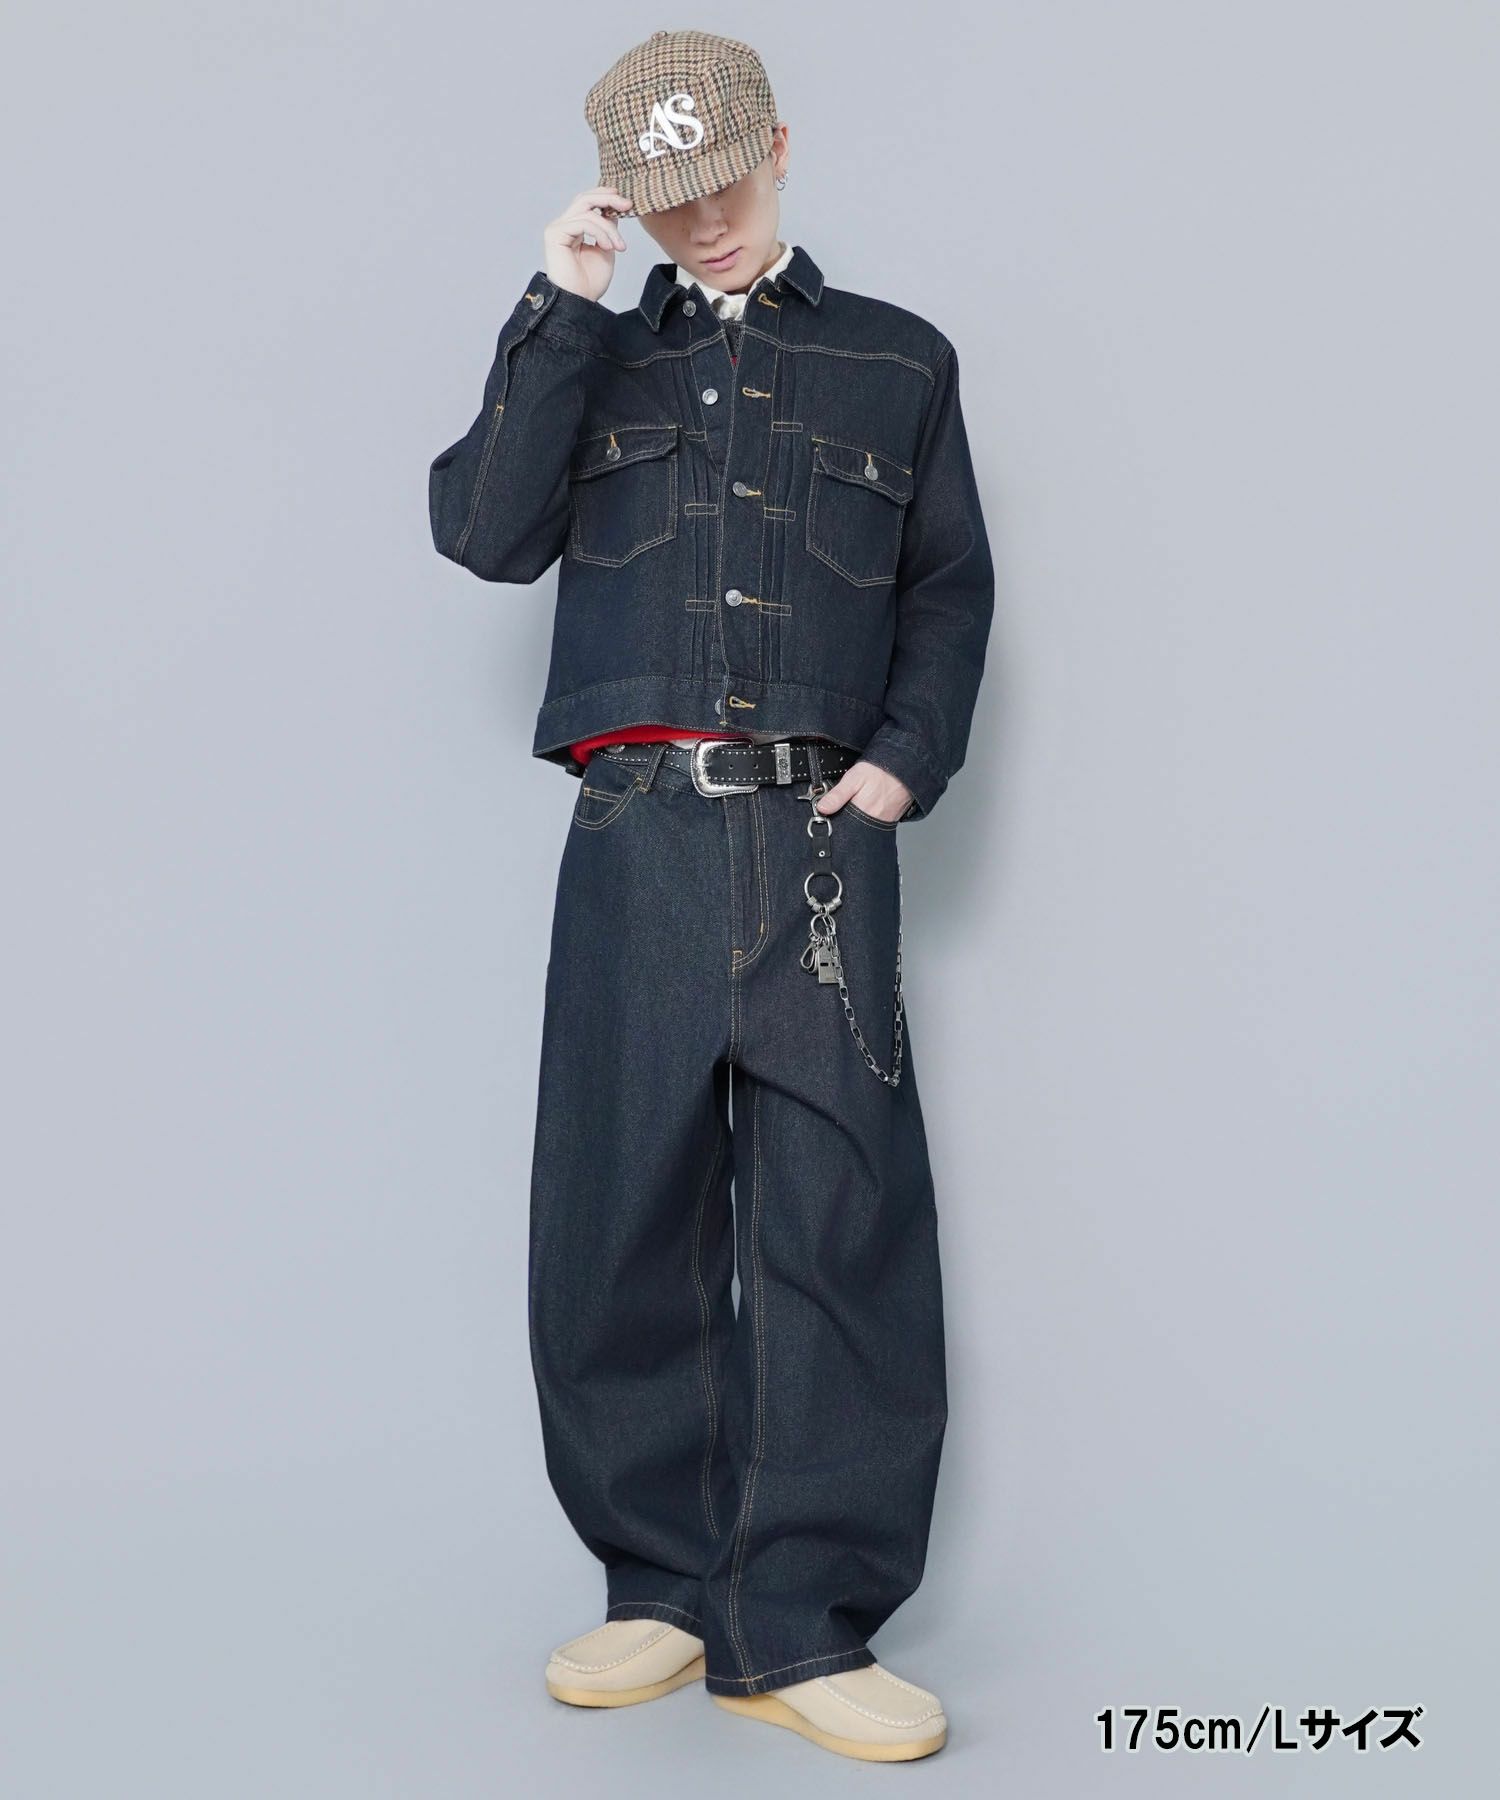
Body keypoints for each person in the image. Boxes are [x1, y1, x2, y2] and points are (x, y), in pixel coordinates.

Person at [427, 28, 994, 1765]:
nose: (706, 224)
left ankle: (800, 1621)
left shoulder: (896, 360)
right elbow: (481, 532)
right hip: (638, 833)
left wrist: (900, 763)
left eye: (725, 184)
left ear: (781, 146)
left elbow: (948, 588)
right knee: (618, 1209)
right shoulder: (593, 353)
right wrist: (562, 305)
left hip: (818, 839)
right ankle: (664, 1589)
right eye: (669, 201)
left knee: (839, 1219)